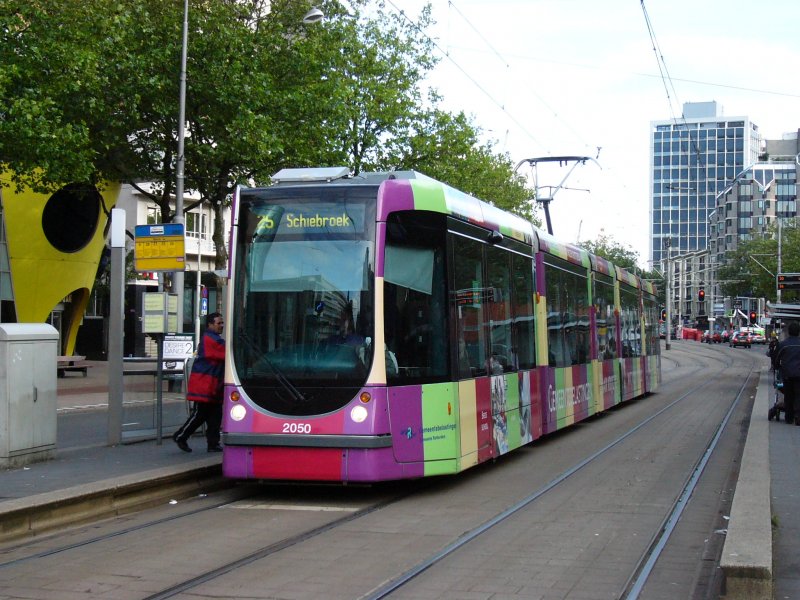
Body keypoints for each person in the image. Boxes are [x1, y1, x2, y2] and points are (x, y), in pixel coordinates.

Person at [173, 312, 225, 452]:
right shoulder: (211, 339)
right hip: (205, 384)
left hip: (211, 384)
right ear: (210, 324)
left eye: (222, 323)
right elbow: (224, 353)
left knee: (214, 415)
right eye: (218, 323)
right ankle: (181, 436)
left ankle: (213, 443)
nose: (221, 326)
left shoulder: (212, 338)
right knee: (200, 414)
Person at [776, 321, 800, 425]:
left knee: (788, 395)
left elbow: (777, 359)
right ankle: (798, 416)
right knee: (798, 395)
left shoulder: (783, 345)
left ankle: (789, 417)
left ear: (789, 332)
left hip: (787, 374)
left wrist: (778, 367)